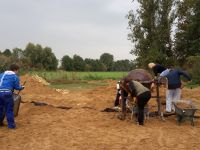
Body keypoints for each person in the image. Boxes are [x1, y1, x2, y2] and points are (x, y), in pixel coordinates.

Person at [0, 64, 24, 129]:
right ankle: (11, 125)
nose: (17, 72)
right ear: (15, 70)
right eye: (18, 71)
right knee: (9, 109)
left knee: (0, 109)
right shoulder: (15, 76)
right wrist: (21, 87)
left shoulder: (1, 75)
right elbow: (17, 87)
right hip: (7, 94)